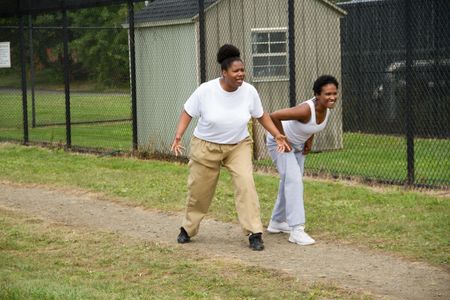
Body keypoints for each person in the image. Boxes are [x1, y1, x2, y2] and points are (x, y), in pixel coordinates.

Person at [171, 44, 290, 251]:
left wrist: (277, 134)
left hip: (238, 145)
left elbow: (260, 115)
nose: (240, 74)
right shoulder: (206, 90)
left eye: (242, 70)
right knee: (200, 191)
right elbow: (187, 112)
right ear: (224, 73)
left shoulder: (249, 91)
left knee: (246, 184)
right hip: (206, 146)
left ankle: (254, 232)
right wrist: (179, 135)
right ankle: (187, 229)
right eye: (236, 71)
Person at [266, 75, 339, 245]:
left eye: (335, 93)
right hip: (279, 143)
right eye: (327, 94)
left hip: (297, 146)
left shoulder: (326, 109)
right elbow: (274, 116)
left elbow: (311, 127)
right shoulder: (305, 110)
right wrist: (281, 138)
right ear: (317, 95)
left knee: (289, 181)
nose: (332, 97)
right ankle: (297, 230)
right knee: (294, 181)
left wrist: (309, 140)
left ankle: (277, 222)